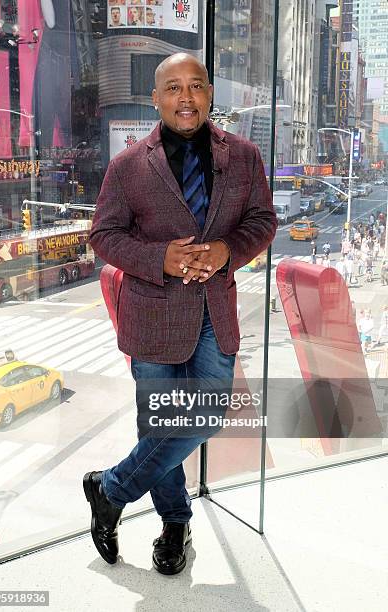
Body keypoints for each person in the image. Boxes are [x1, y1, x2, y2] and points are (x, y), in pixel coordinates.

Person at [83, 53, 277, 574]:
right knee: (160, 425)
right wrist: (159, 258)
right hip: (150, 314)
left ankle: (110, 488)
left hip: (216, 309)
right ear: (156, 99)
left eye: (195, 86)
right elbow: (102, 235)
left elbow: (263, 220)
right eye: (173, 88)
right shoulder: (128, 166)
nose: (185, 98)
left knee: (205, 414)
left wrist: (226, 252)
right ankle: (175, 522)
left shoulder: (243, 156)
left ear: (210, 94)